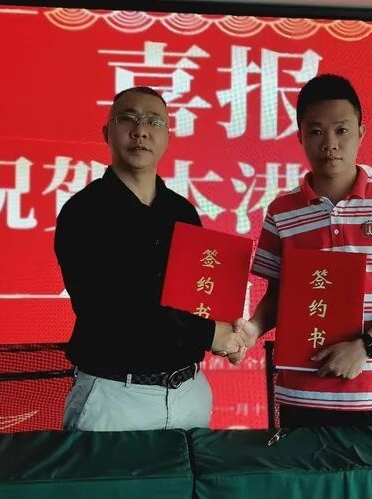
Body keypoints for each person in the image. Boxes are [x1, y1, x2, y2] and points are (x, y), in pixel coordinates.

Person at [231, 74, 372, 427]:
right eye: (316, 131)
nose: (330, 143)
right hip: (304, 396)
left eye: (341, 130)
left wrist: (366, 347)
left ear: (361, 133)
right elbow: (280, 296)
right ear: (300, 136)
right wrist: (253, 328)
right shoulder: (283, 211)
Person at [55, 86, 246, 431]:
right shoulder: (83, 212)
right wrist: (208, 334)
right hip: (115, 396)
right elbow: (109, 310)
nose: (140, 130)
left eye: (154, 121)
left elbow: (196, 298)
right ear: (107, 133)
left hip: (189, 391)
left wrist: (229, 332)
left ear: (168, 137)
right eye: (128, 118)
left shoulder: (182, 212)